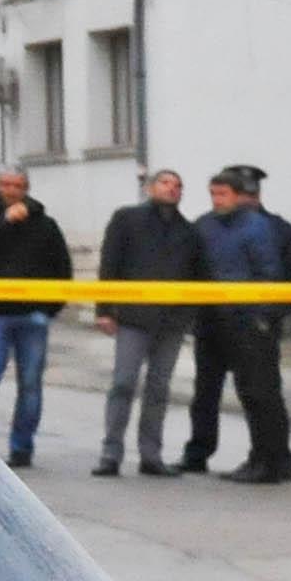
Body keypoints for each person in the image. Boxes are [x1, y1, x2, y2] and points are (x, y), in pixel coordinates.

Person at [189, 164, 291, 484]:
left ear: (241, 196)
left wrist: (264, 317)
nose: (216, 200)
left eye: (223, 194)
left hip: (250, 322)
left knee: (260, 393)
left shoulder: (260, 228)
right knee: (220, 391)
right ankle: (257, 458)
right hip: (215, 321)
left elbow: (272, 273)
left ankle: (270, 460)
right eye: (213, 194)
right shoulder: (206, 226)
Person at [0, 166, 71, 470]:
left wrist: (50, 309)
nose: (11, 190)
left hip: (32, 316)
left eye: (17, 185)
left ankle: (22, 448)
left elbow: (62, 267)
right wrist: (4, 222)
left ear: (26, 188)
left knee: (31, 385)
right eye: (6, 184)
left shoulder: (44, 224)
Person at [93, 168, 204, 478]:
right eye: (166, 183)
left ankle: (150, 454)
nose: (172, 189)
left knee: (158, 388)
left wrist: (190, 318)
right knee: (123, 383)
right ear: (150, 187)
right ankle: (110, 452)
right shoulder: (127, 219)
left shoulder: (188, 230)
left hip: (171, 322)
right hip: (133, 317)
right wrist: (104, 309)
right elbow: (110, 263)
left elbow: (196, 275)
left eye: (178, 185)